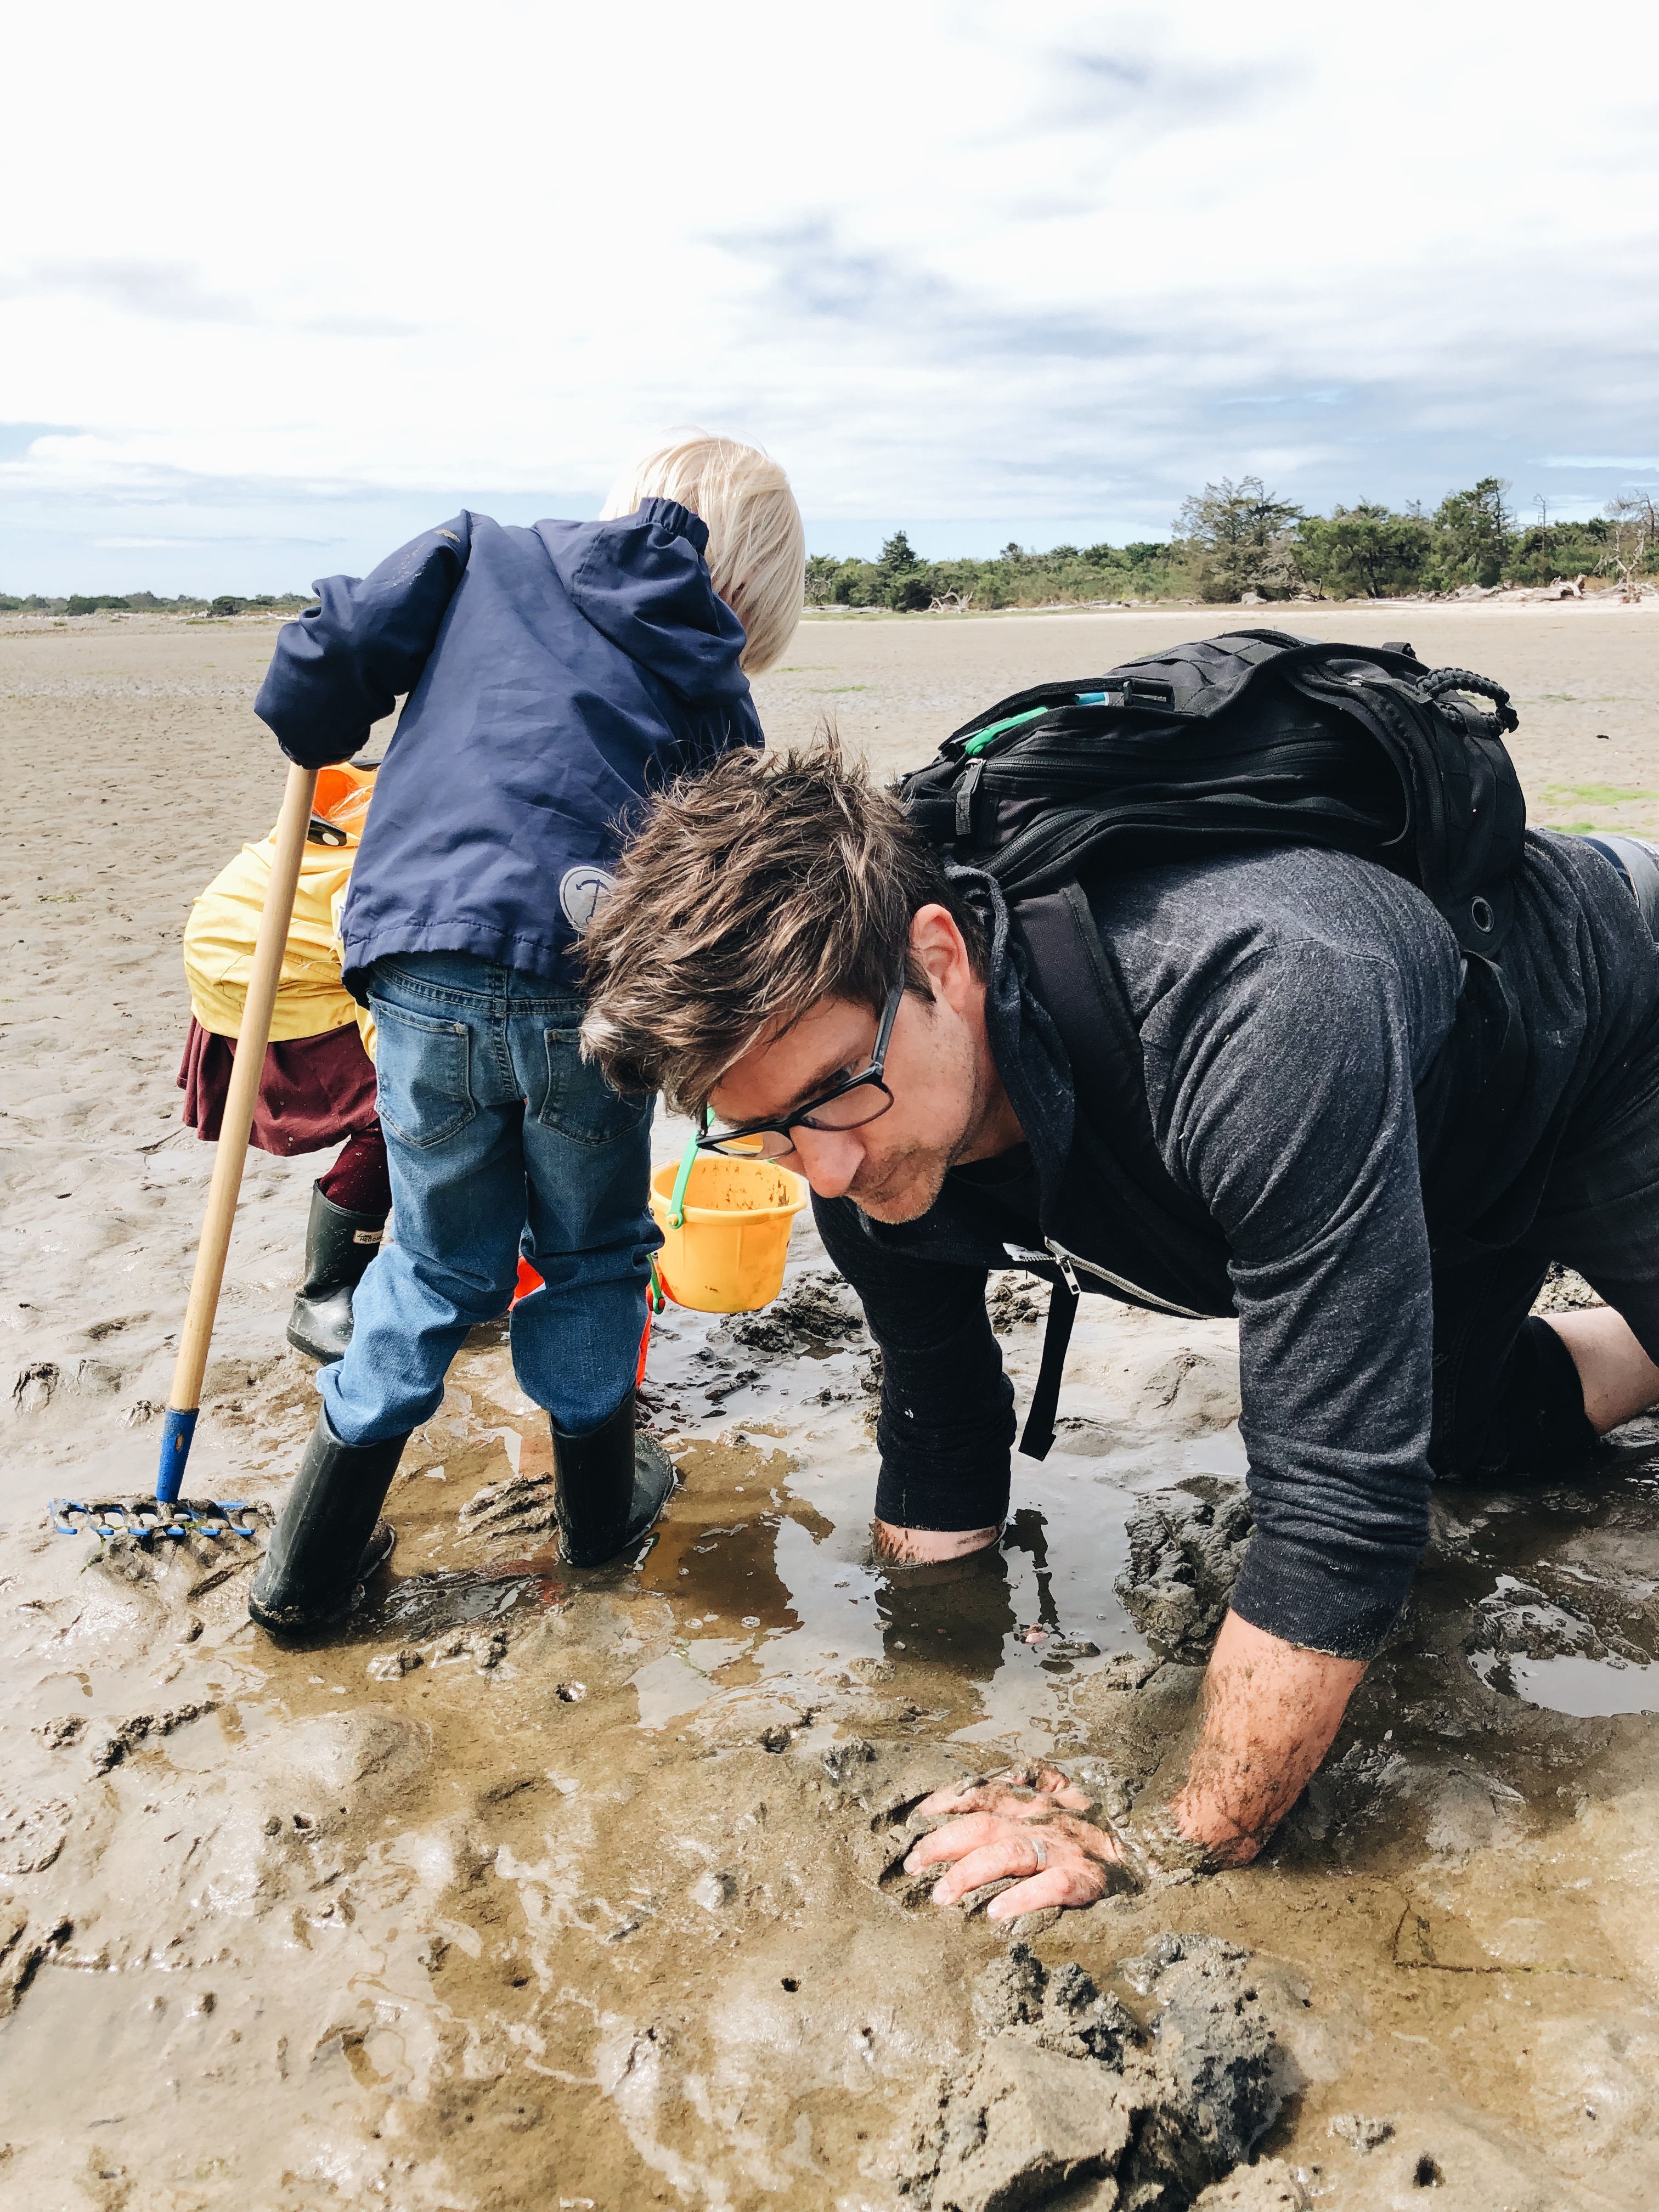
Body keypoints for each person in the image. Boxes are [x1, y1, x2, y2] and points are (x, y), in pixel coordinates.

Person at [578, 744, 1659, 1916]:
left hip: (1599, 1032)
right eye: (768, 1130)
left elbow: (1342, 1512)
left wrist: (1159, 1834)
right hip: (1403, 1131)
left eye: (840, 1089)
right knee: (1457, 1429)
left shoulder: (1252, 1007)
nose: (825, 1172)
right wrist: (931, 1692)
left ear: (940, 958)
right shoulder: (855, 1143)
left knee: (1376, 1440)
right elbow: (940, 1421)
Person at [246, 432, 804, 1633]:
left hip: (421, 961)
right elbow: (723, 885)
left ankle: (302, 1575)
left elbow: (323, 657)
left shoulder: (475, 553)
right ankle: (598, 1517)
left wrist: (317, 718)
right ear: (754, 585)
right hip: (581, 992)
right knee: (595, 1250)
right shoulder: (715, 678)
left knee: (435, 1260)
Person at [179, 758, 391, 1363]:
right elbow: (378, 975)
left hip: (297, 935)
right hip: (261, 962)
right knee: (401, 1109)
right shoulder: (397, 861)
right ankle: (326, 1294)